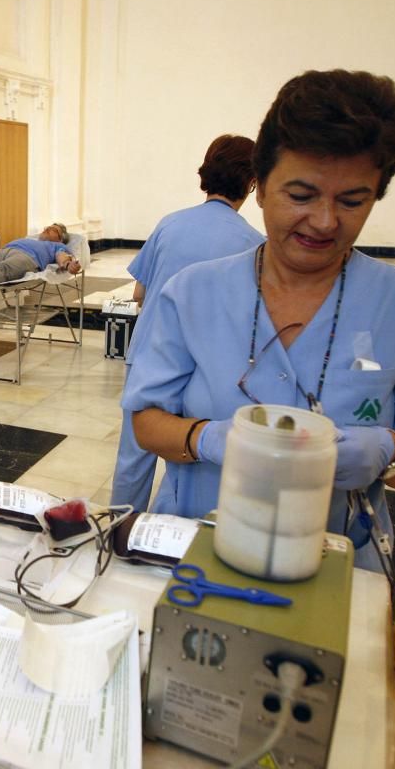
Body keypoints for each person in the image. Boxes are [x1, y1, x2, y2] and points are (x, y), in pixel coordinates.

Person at [122, 69, 395, 571]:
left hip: (336, 563)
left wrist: (389, 450)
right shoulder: (192, 294)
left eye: (353, 201)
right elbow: (146, 421)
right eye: (301, 195)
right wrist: (208, 439)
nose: (325, 221)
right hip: (192, 549)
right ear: (261, 186)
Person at [112, 134, 265, 511]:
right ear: (252, 182)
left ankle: (118, 535)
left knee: (134, 459)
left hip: (148, 355)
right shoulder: (254, 243)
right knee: (193, 463)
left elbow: (138, 295)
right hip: (207, 370)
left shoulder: (170, 225)